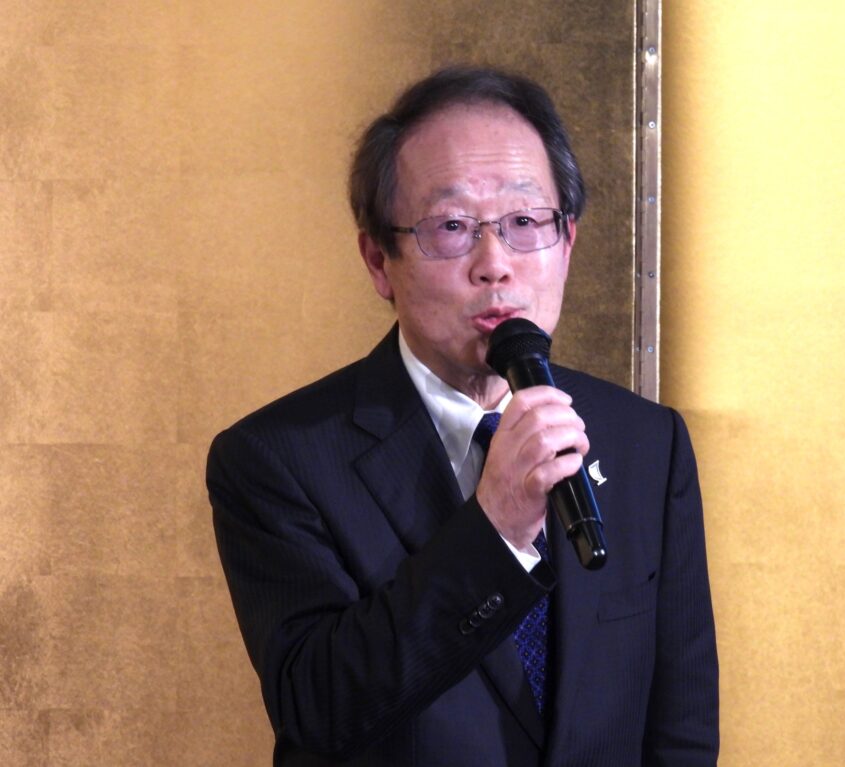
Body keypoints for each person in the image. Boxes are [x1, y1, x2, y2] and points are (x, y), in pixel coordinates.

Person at [207, 65, 718, 766]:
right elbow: (319, 710)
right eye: (452, 227)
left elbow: (680, 729)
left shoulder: (647, 443)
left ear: (568, 241)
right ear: (378, 260)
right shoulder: (278, 459)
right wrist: (495, 528)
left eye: (524, 222)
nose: (495, 263)